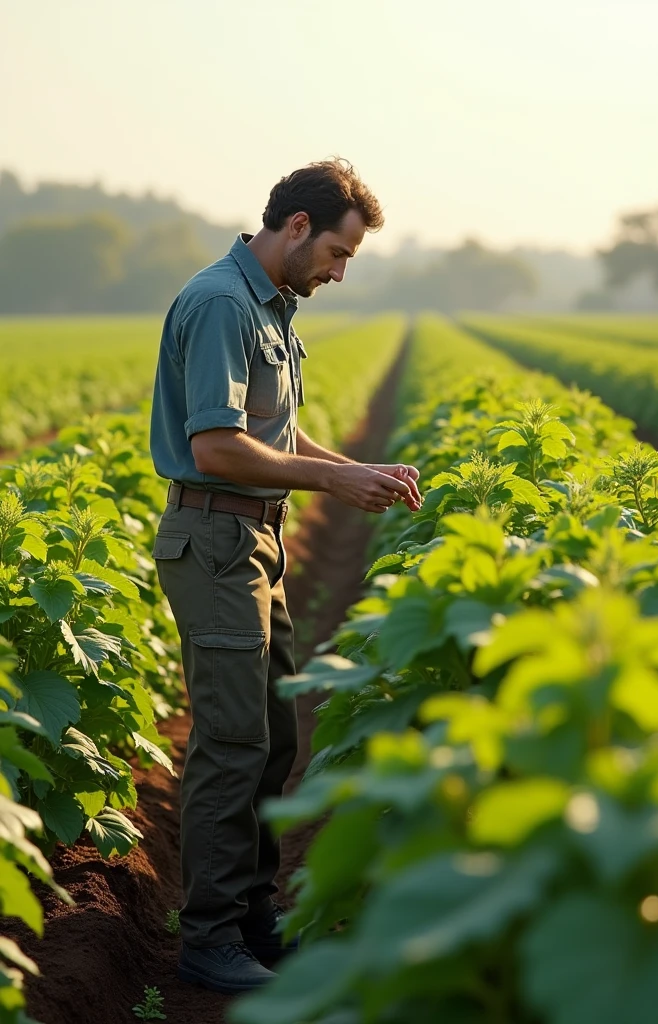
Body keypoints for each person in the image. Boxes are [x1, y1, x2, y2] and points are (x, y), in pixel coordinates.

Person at [149, 158, 421, 995]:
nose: (339, 273)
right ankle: (208, 937)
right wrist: (334, 485)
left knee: (271, 737)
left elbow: (279, 437)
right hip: (215, 540)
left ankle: (252, 917)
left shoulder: (271, 308)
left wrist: (353, 468)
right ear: (297, 226)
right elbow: (218, 448)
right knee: (231, 745)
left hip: (254, 540)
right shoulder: (223, 304)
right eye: (338, 253)